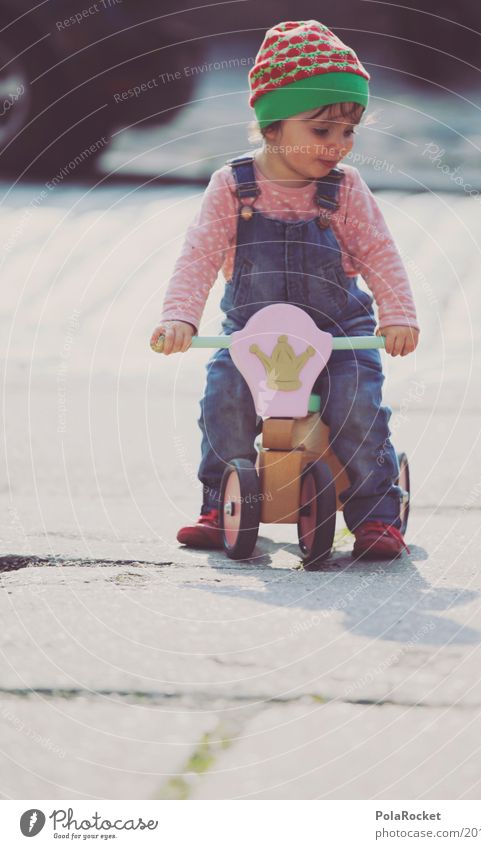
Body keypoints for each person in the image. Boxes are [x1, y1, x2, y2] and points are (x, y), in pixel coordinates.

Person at [150, 19, 420, 560]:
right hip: (254, 335)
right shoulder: (233, 186)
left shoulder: (344, 191)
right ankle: (220, 500)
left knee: (357, 407)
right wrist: (180, 317)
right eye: (322, 131)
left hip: (337, 331)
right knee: (223, 398)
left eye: (349, 132)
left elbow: (380, 256)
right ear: (272, 125)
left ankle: (375, 514)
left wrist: (398, 316)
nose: (338, 146)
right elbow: (199, 257)